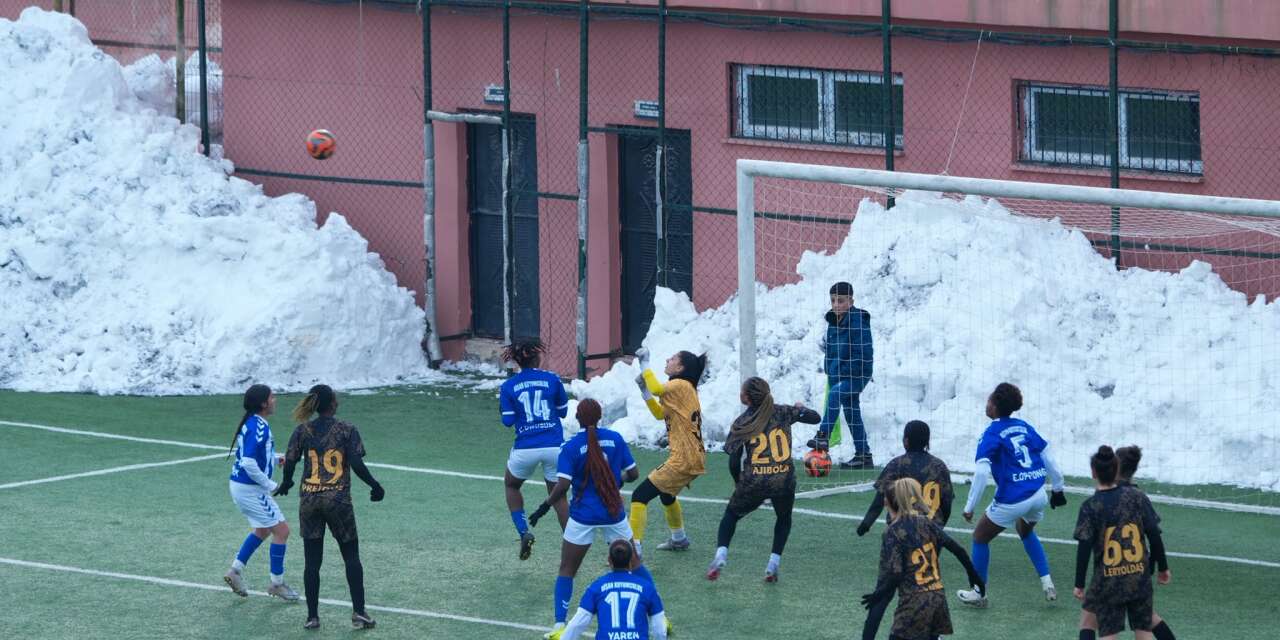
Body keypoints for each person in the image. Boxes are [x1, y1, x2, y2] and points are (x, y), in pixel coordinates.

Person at [527, 399, 659, 640]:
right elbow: (633, 474)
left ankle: (559, 625)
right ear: (600, 417)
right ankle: (660, 615)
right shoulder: (616, 439)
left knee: (567, 569)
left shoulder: (570, 447)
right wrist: (615, 481)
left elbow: (563, 486)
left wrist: (544, 507)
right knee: (635, 563)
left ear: (578, 418)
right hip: (613, 513)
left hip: (582, 516)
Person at [274, 384, 385, 630]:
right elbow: (356, 463)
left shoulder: (302, 430)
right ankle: (359, 613)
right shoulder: (347, 429)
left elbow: (290, 461)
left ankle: (312, 617)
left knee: (312, 562)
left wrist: (287, 482)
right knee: (351, 557)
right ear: (332, 404)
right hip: (338, 501)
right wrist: (375, 485)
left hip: (310, 501)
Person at [956, 382, 1067, 608]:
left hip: (1013, 500)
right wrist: (1058, 489)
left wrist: (969, 506)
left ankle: (979, 592)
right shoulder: (1024, 426)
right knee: (1024, 531)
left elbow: (981, 473)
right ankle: (1047, 583)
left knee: (979, 537)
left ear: (995, 406)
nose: (986, 404)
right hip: (1038, 494)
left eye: (989, 401)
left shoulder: (991, 433)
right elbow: (1049, 457)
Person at [706, 376, 819, 582]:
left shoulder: (742, 423)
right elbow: (815, 418)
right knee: (783, 518)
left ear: (747, 398)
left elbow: (733, 460)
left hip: (754, 481)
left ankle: (721, 554)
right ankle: (772, 564)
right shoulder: (783, 412)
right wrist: (801, 407)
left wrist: (738, 481)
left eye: (742, 391)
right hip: (783, 479)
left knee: (731, 515)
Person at [860, 478, 985, 640]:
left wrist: (879, 593)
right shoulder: (927, 522)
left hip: (914, 602)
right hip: (938, 596)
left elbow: (896, 574)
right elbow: (958, 549)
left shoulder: (892, 532)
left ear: (888, 503)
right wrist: (973, 575)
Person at [1075, 446, 1175, 640]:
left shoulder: (1091, 506)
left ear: (1094, 472)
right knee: (1145, 625)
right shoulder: (1137, 497)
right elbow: (1154, 533)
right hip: (1138, 574)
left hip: (1109, 577)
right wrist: (1160, 566)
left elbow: (1084, 545)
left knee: (1099, 627)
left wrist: (1079, 583)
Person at [223, 384, 299, 602]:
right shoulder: (259, 427)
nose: (275, 400)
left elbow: (253, 455)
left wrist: (276, 459)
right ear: (263, 403)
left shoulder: (253, 422)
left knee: (263, 530)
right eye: (272, 397)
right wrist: (271, 485)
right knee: (282, 531)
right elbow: (247, 462)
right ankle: (277, 584)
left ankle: (235, 571)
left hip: (241, 487)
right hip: (250, 490)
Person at [630, 349, 708, 554]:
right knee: (666, 494)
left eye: (672, 358)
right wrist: (643, 391)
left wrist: (645, 363)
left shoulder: (680, 385)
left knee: (639, 495)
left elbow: (656, 388)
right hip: (692, 456)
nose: (667, 359)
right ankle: (679, 539)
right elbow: (659, 414)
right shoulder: (682, 390)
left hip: (684, 458)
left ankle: (633, 550)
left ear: (680, 368)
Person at [498, 339, 570, 560]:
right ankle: (572, 545)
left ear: (518, 360)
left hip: (526, 448)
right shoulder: (552, 379)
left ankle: (523, 532)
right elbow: (564, 411)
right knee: (558, 496)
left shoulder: (509, 385)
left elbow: (508, 421)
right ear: (537, 357)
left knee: (511, 485)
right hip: (554, 447)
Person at [807, 281, 875, 469]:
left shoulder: (858, 323)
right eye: (833, 300)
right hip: (839, 375)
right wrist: (830, 369)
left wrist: (844, 372)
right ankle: (864, 455)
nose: (836, 305)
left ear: (851, 301)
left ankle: (823, 437)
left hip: (857, 375)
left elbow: (865, 355)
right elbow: (832, 352)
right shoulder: (833, 321)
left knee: (835, 394)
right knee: (852, 413)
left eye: (841, 301)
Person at [857, 420, 954, 537]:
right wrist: (939, 527)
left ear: (906, 441)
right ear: (927, 442)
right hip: (930, 532)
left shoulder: (896, 464)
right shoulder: (940, 466)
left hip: (900, 532)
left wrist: (866, 524)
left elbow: (879, 501)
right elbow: (946, 503)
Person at [560, 540, 668, 640]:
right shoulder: (647, 588)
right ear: (631, 560)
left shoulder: (596, 587)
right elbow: (659, 629)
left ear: (609, 560)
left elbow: (577, 624)